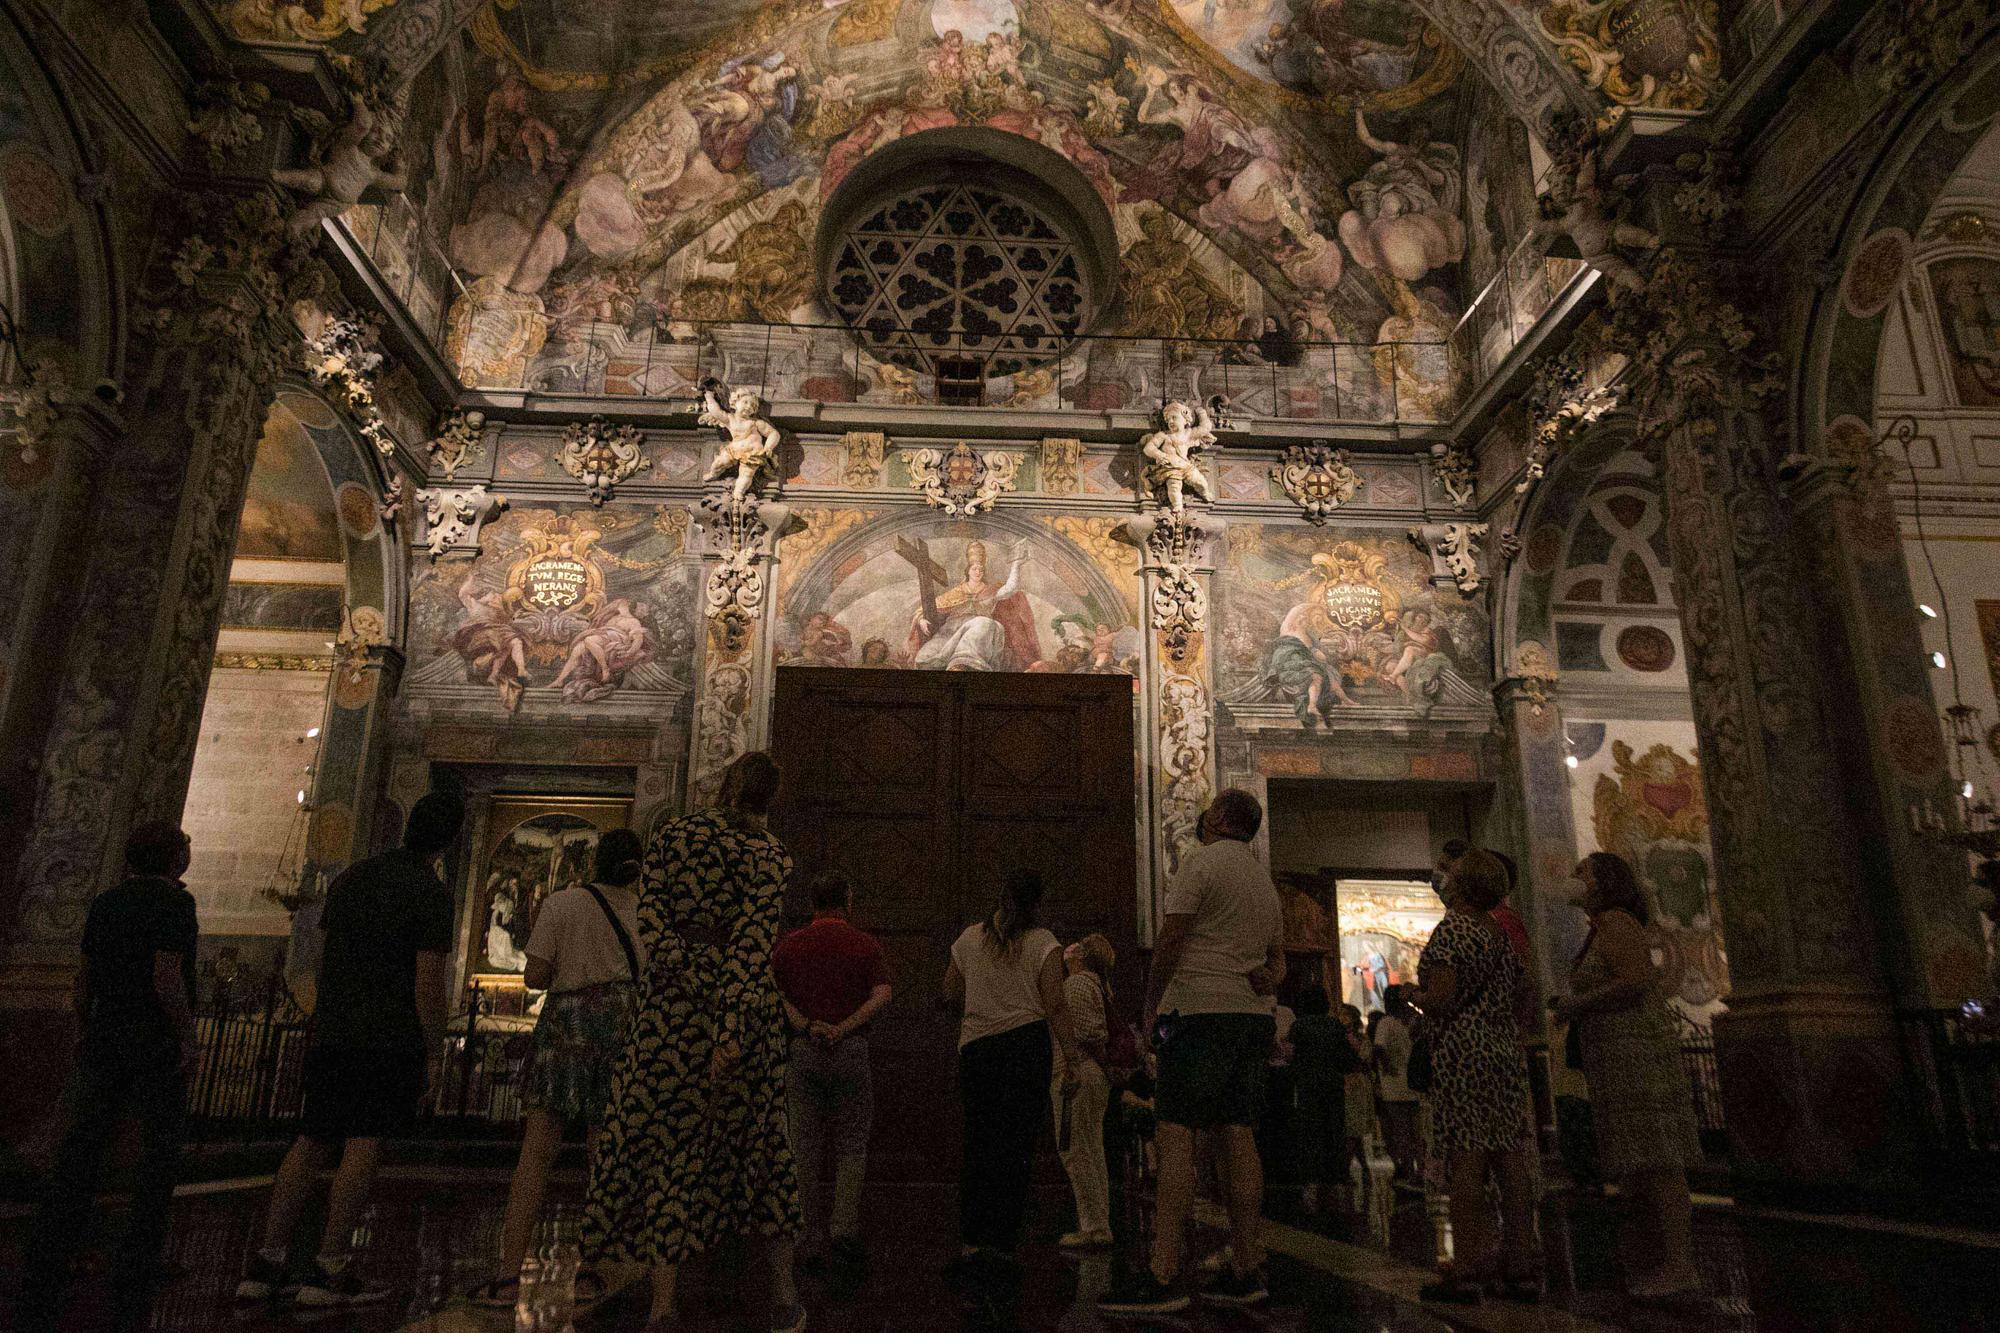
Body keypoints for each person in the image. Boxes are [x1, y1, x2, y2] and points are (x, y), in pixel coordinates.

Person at [583, 752, 805, 1333]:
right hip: (741, 1020)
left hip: (667, 1014)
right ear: (768, 799)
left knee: (667, 1149)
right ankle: (783, 1296)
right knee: (765, 1147)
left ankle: (662, 1304)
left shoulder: (672, 836)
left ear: (724, 786)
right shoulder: (769, 855)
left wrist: (687, 966)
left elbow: (651, 923)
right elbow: (752, 950)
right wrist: (729, 1027)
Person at [239, 792, 464, 1308]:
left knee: (311, 1138)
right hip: (386, 1035)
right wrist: (434, 1051)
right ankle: (330, 1266)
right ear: (448, 842)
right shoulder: (427, 891)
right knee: (363, 1143)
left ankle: (267, 1261)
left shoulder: (351, 879)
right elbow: (427, 982)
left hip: (334, 1029)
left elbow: (319, 957)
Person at [1099, 789, 1284, 1316]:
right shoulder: (1262, 881)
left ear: (1221, 819)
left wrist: (1152, 1002)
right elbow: (1277, 965)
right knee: (1238, 1133)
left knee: (1175, 1131)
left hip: (1199, 1012)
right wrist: (1260, 977)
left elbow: (1171, 939)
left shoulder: (1201, 864)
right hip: (1252, 1019)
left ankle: (1162, 1273)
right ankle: (1249, 1266)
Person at [19, 823, 198, 1331]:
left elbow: (84, 977)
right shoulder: (174, 906)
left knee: (81, 1151)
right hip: (153, 1043)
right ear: (172, 859)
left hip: (104, 1037)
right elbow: (167, 977)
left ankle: (50, 1252)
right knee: (158, 1154)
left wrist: (84, 1028)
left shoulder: (106, 902)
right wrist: (187, 1037)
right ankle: (138, 1257)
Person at [470, 828, 647, 1307]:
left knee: (537, 1153)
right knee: (602, 1157)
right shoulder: (649, 913)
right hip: (621, 1029)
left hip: (566, 1029)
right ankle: (591, 1272)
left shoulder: (563, 904)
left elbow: (535, 976)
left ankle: (508, 1277)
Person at [1549, 852, 1703, 1305]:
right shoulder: (1602, 925)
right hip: (1617, 1053)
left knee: (1657, 1157)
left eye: (1582, 872)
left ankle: (1680, 1266)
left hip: (1635, 1052)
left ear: (1605, 882)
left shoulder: (1616, 922)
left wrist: (1579, 1005)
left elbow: (1636, 980)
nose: (1573, 877)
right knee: (1640, 1158)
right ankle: (1659, 1259)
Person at [1414, 850, 1540, 1305]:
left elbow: (1443, 997)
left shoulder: (1455, 929)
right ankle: (1521, 1266)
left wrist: (1414, 994)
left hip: (1463, 1051)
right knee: (1509, 1159)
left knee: (1466, 1160)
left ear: (1461, 886)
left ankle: (1467, 1267)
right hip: (1503, 1048)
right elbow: (1525, 991)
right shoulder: (1499, 934)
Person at [944, 869, 1082, 1275]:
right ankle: (1003, 1242)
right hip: (1025, 1047)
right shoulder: (1044, 943)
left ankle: (971, 1242)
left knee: (978, 1143)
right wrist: (1072, 1058)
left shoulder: (970, 938)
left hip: (978, 1048)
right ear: (1036, 903)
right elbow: (1055, 1004)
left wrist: (979, 1003)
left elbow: (950, 990)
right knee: (1016, 1147)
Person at [772, 869, 894, 1276]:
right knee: (851, 1143)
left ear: (812, 903)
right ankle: (843, 1228)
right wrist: (844, 1026)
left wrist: (808, 1025)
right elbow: (882, 993)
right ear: (848, 900)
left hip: (803, 1049)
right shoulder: (864, 944)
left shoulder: (790, 946)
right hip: (851, 1048)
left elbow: (777, 995)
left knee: (804, 1146)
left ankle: (806, 1234)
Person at [1054, 933, 1118, 1249]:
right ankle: (1098, 1222)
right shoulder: (1099, 986)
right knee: (1092, 1149)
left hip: (1076, 1074)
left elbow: (1086, 1034)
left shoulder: (1078, 985)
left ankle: (1093, 1227)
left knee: (1076, 1150)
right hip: (1092, 1077)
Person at [1284, 987, 1358, 1216]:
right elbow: (1348, 1058)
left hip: (1308, 1086)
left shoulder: (1299, 1027)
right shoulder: (1334, 1026)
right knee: (1334, 1131)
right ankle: (1338, 1183)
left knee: (1311, 1132)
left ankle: (1312, 1185)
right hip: (1333, 1085)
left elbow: (1290, 1055)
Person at [1374, 984, 1421, 1180]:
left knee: (1398, 1128)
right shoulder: (1406, 1023)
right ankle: (1417, 1169)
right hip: (1410, 1082)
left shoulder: (1385, 1023)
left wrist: (1386, 1066)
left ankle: (1407, 1168)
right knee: (1413, 1129)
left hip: (1393, 1084)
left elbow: (1379, 1047)